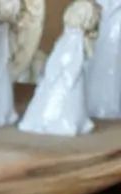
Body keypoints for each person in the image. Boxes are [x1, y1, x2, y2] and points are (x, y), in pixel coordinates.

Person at [19, 0, 99, 134]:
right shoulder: (68, 37)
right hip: (57, 74)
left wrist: (68, 76)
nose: (72, 16)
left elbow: (73, 63)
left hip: (65, 78)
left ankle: (65, 121)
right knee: (49, 95)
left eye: (78, 14)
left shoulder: (75, 40)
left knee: (63, 98)